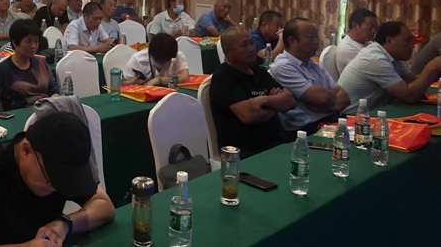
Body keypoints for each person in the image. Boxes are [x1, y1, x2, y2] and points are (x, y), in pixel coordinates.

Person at [0, 111, 115, 247]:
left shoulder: (58, 165)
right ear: (26, 150)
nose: (56, 189)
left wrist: (64, 224)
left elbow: (104, 205)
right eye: (52, 179)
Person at [210, 27, 296, 158]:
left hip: (277, 144)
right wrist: (275, 105)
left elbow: (290, 101)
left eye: (252, 42)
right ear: (228, 51)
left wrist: (263, 100)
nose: (251, 49)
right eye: (244, 45)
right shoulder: (224, 77)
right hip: (247, 153)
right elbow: (249, 116)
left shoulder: (259, 71)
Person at [338, 21, 441, 114]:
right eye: (407, 40)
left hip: (374, 111)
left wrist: (434, 74)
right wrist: (432, 67)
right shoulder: (375, 59)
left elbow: (411, 80)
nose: (412, 46)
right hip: (351, 117)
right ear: (390, 40)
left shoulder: (391, 55)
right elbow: (409, 95)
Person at [270, 18, 350, 134]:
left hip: (330, 121)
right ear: (292, 41)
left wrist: (326, 106)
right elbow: (321, 98)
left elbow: (345, 97)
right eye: (310, 37)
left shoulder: (312, 64)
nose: (316, 41)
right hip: (306, 130)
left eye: (316, 37)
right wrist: (330, 98)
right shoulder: (282, 66)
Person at [0, 19, 59, 111]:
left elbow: (52, 87)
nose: (33, 46)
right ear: (15, 43)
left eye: (36, 41)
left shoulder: (41, 62)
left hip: (45, 110)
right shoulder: (3, 70)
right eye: (28, 41)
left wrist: (55, 98)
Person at [122, 32, 190, 86]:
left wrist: (158, 80)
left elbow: (184, 77)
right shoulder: (137, 59)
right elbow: (122, 84)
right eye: (156, 60)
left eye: (164, 61)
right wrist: (132, 82)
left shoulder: (177, 56)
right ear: (150, 53)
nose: (159, 63)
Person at [336, 9, 378, 74]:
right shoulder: (347, 48)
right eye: (370, 26)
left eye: (375, 27)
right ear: (355, 25)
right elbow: (376, 69)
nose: (373, 31)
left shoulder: (368, 43)